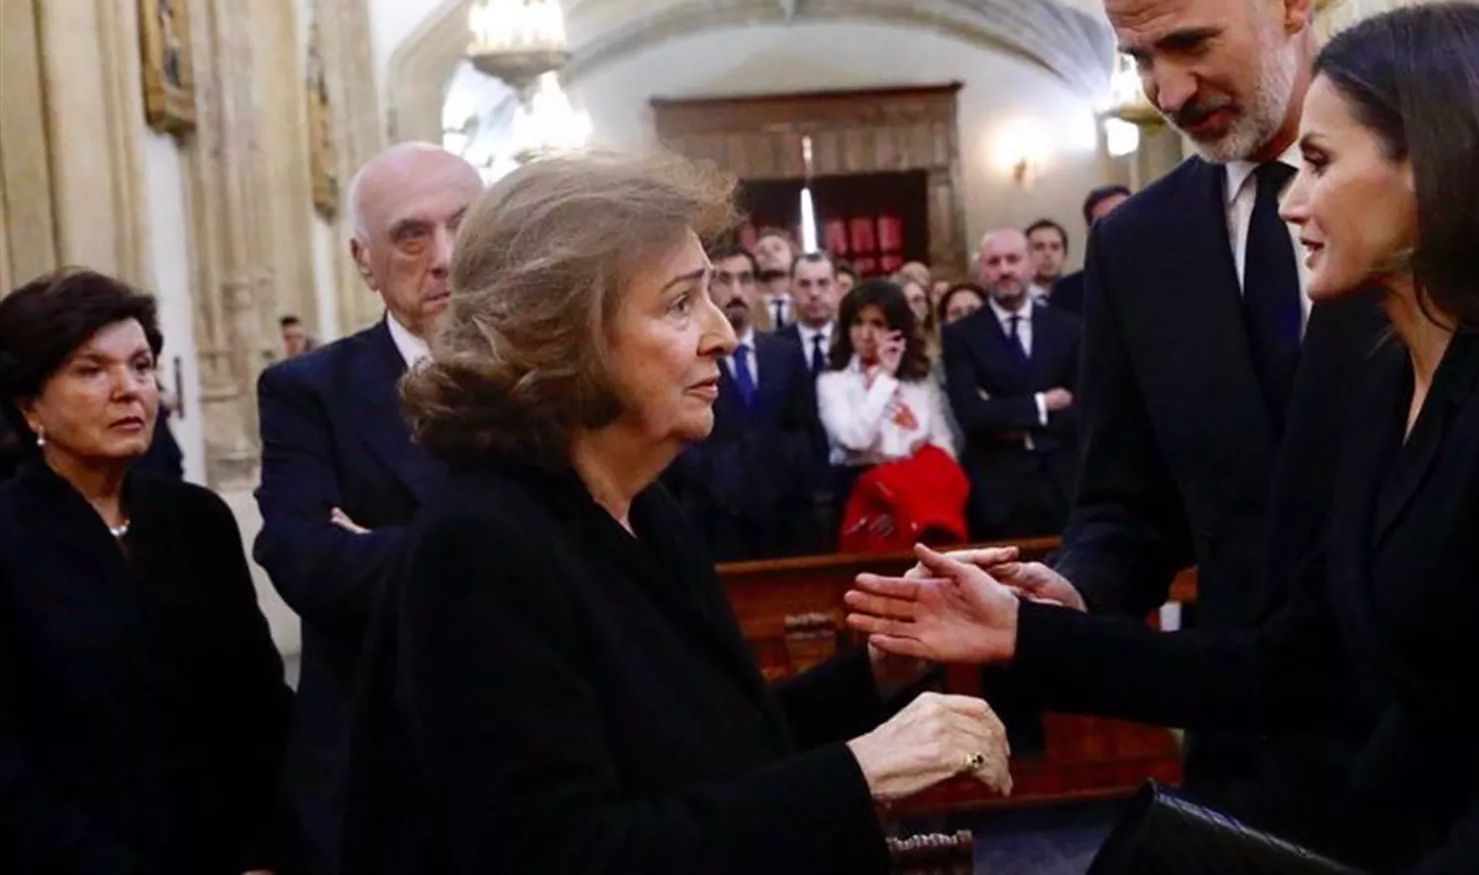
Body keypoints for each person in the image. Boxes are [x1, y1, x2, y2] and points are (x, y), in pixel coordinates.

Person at [846, 2, 1479, 875]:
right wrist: (1022, 635)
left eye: (1320, 163)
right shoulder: (1387, 377)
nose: (1293, 203)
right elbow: (1288, 666)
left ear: (1434, 171)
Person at [341, 152, 1008, 875]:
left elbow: (717, 755)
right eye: (681, 303)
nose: (722, 333)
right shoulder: (481, 546)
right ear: (565, 337)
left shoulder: (640, 504)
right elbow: (566, 854)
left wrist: (877, 672)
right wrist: (862, 771)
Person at [1043, 0, 1388, 830]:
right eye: (1139, 58)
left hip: (1445, 755)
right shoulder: (1135, 246)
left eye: (1189, 43)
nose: (1167, 89)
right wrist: (1072, 588)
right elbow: (1126, 505)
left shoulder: (1429, 199)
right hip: (1251, 759)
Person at [0, 269, 290, 875]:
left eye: (140, 365)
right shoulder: (10, 536)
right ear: (31, 405)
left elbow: (259, 706)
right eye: (90, 370)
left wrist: (268, 849)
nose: (128, 389)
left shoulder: (195, 521)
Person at [253, 142, 485, 875]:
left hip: (540, 750)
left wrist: (384, 544)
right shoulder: (309, 391)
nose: (444, 257)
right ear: (363, 260)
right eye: (411, 235)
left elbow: (598, 550)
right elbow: (309, 566)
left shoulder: (559, 375)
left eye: (465, 225)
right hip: (380, 761)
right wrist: (506, 556)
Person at [664, 241, 826, 559]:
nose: (736, 290)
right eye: (724, 280)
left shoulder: (785, 354)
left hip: (783, 524)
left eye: (746, 279)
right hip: (713, 522)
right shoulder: (687, 356)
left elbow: (805, 434)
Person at [942, 229, 1080, 540]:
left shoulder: (1068, 328)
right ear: (981, 271)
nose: (1004, 270)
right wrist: (1042, 405)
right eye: (994, 262)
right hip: (996, 494)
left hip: (1063, 485)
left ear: (1031, 265)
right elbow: (973, 415)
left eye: (1013, 259)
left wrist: (1004, 412)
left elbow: (1083, 409)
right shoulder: (961, 335)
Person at [817, 279, 957, 508]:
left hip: (920, 494)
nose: (866, 334)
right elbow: (856, 439)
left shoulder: (919, 380)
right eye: (857, 323)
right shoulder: (833, 381)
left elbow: (943, 444)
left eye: (878, 324)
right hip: (860, 491)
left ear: (897, 329)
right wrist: (884, 379)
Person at [1046, 185, 1131, 316]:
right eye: (1109, 221)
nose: (1119, 228)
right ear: (1090, 232)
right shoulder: (1066, 292)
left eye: (1126, 217)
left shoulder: (1162, 280)